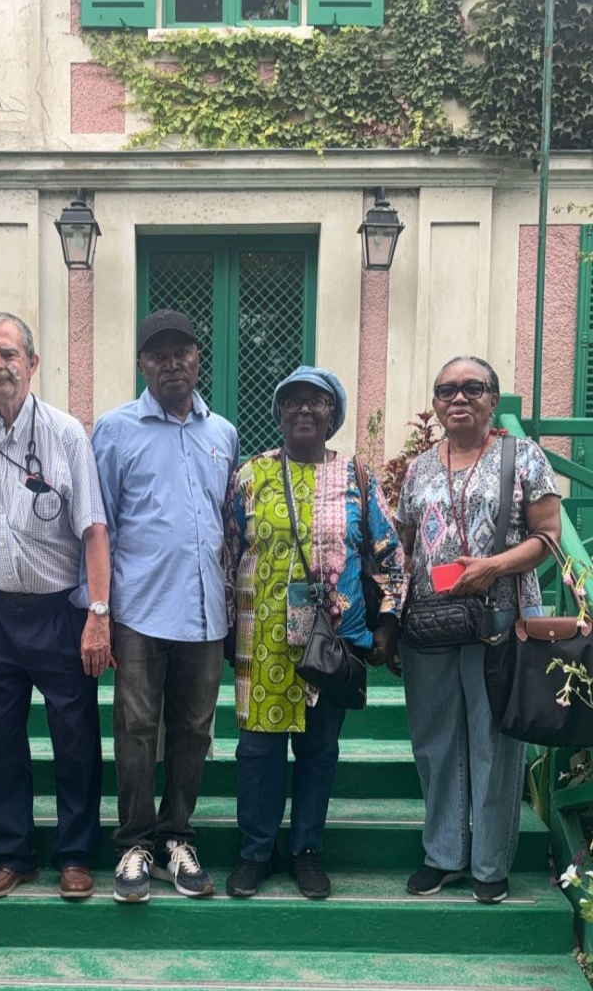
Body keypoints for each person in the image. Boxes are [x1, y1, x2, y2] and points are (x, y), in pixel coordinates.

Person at [0, 311, 112, 902]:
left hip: (59, 613)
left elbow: (94, 530)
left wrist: (97, 615)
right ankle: (12, 854)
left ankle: (75, 854)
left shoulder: (66, 434)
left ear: (32, 363)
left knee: (75, 739)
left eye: (8, 354)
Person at [223, 365, 406, 899]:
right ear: (279, 414)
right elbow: (226, 553)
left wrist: (388, 624)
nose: (304, 409)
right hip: (262, 640)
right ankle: (256, 851)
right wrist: (224, 628)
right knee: (257, 752)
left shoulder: (356, 477)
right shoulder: (250, 475)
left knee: (319, 749)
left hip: (333, 641)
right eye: (293, 401)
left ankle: (306, 850)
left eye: (317, 401)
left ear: (333, 416)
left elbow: (391, 558)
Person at [86, 309, 239, 903]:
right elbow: (99, 524)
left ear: (199, 358)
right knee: (135, 727)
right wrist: (98, 610)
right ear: (141, 364)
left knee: (194, 729)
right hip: (139, 610)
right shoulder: (115, 430)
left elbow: (226, 522)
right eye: (159, 354)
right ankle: (134, 843)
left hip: (204, 612)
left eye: (183, 352)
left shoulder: (221, 433)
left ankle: (177, 836)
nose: (172, 363)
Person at [397, 355, 561, 904]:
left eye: (473, 387)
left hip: (501, 619)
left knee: (494, 742)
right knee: (434, 741)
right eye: (447, 390)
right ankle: (443, 855)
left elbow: (548, 534)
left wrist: (493, 567)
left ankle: (490, 864)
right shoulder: (419, 468)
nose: (459, 398)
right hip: (430, 622)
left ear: (493, 398)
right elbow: (405, 545)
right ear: (436, 403)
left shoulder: (524, 456)